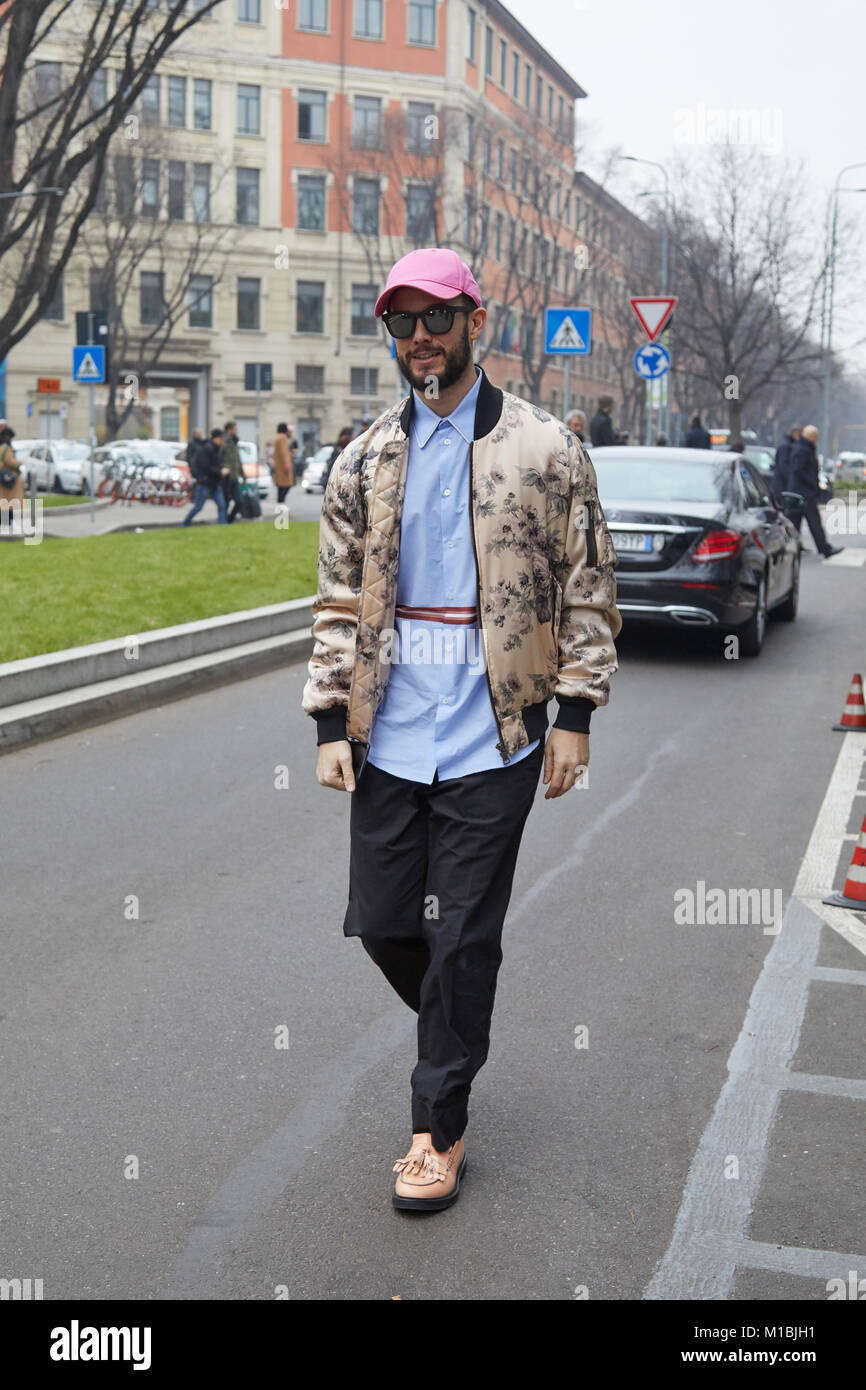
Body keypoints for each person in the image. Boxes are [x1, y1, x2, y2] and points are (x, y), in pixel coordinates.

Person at [302, 246, 621, 1212]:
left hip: (499, 727)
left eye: (437, 317)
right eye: (403, 323)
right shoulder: (364, 456)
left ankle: (436, 1128)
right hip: (392, 725)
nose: (421, 338)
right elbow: (336, 597)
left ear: (475, 322)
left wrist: (575, 713)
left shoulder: (545, 445)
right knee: (389, 925)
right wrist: (328, 720)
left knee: (463, 931)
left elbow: (589, 585)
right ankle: (459, 1008)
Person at [789, 424, 842, 558]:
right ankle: (823, 549)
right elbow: (798, 470)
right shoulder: (803, 450)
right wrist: (812, 484)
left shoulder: (803, 448)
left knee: (797, 523)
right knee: (813, 522)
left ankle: (797, 548)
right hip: (804, 493)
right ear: (812, 437)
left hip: (800, 492)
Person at [182, 427, 227, 525]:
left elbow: (216, 464)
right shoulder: (206, 448)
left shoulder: (215, 449)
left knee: (222, 505)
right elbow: (206, 467)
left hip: (214, 482)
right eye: (221, 439)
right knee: (198, 507)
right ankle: (184, 524)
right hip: (205, 482)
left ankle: (223, 526)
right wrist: (220, 472)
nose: (222, 441)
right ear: (216, 438)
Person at [0, 425, 24, 532]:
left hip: (3, 479)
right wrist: (21, 462)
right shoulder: (7, 448)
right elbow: (10, 461)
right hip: (9, 479)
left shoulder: (1, 447)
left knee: (4, 502)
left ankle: (4, 524)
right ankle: (8, 524)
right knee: (11, 502)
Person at [219, 420, 244, 524]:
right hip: (226, 477)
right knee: (226, 501)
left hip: (235, 476)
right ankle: (224, 521)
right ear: (229, 430)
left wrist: (243, 475)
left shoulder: (235, 442)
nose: (236, 431)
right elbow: (218, 458)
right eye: (235, 429)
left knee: (239, 501)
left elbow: (238, 459)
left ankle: (229, 519)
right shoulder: (223, 442)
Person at [272, 422, 295, 505]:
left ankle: (280, 503)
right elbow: (284, 451)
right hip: (284, 466)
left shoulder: (277, 437)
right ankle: (281, 503)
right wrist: (287, 463)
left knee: (280, 486)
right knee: (286, 485)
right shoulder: (283, 438)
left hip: (279, 466)